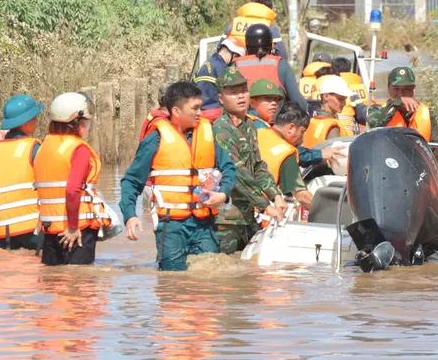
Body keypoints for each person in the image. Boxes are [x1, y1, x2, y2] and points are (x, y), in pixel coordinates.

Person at [119, 82, 237, 271]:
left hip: (204, 224)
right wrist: (130, 216)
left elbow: (229, 168)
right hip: (171, 225)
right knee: (172, 281)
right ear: (176, 111)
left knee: (210, 278)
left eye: (201, 107)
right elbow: (131, 181)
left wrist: (223, 194)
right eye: (195, 108)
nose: (200, 113)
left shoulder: (207, 132)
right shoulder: (155, 138)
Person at [211, 67, 287, 253]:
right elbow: (238, 173)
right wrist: (266, 206)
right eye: (233, 92)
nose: (240, 96)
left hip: (247, 215)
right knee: (223, 267)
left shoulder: (249, 125)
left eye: (243, 90)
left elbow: (257, 166)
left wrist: (276, 195)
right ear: (221, 98)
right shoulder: (221, 128)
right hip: (226, 220)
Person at [33, 92, 113, 266]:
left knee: (53, 279)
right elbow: (72, 190)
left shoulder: (43, 147)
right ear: (78, 122)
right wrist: (72, 227)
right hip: (77, 229)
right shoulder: (78, 149)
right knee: (81, 279)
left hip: (50, 228)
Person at [0, 94, 44, 251]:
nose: (37, 121)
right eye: (35, 117)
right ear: (26, 122)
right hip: (35, 232)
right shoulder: (33, 149)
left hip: (2, 235)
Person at [367, 67, 438, 180]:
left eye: (406, 89)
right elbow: (374, 123)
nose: (401, 93)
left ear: (414, 89)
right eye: (396, 89)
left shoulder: (427, 112)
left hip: (419, 172)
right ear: (388, 87)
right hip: (386, 171)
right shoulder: (377, 109)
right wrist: (397, 102)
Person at [257, 101, 315, 209]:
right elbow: (302, 196)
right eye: (302, 132)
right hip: (261, 212)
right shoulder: (286, 152)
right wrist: (326, 210)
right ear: (291, 128)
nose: (302, 138)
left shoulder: (257, 132)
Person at [234, 24, 306, 107]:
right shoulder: (280, 64)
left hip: (244, 114)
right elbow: (298, 102)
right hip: (274, 115)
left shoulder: (236, 64)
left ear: (246, 46)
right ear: (271, 45)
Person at [193, 37, 246, 120]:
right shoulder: (222, 69)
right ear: (235, 56)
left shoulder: (205, 65)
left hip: (199, 113)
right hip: (215, 115)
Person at [303, 74, 354, 147]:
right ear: (326, 96)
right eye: (341, 99)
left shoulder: (312, 121)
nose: (344, 103)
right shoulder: (332, 128)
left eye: (345, 99)